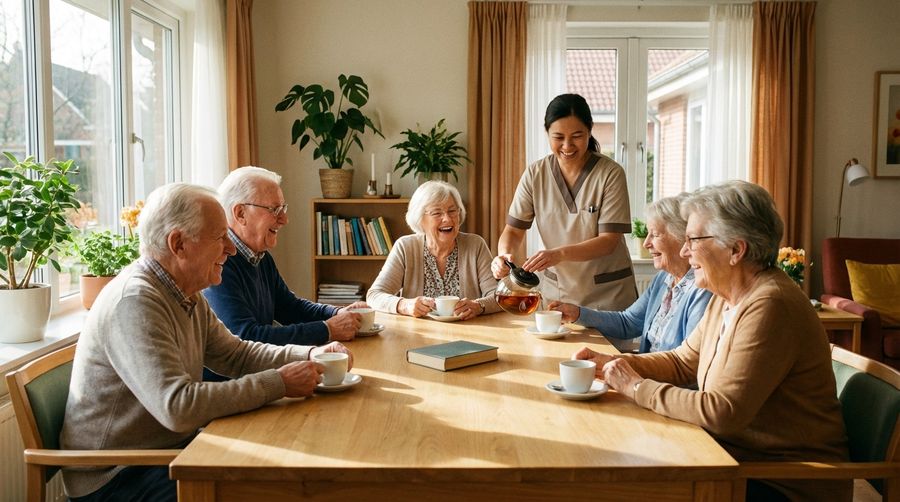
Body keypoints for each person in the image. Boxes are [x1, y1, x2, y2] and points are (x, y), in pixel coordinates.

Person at [59, 183, 353, 502]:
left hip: (165, 452)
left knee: (286, 468)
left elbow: (236, 354)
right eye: (219, 237)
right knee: (264, 489)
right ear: (178, 244)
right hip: (118, 474)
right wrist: (279, 383)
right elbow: (178, 407)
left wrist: (310, 354)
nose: (230, 248)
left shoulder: (185, 292)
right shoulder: (135, 301)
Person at [572, 180, 851, 502]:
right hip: (730, 458)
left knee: (617, 487)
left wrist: (635, 387)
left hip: (785, 481)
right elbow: (682, 362)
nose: (684, 250)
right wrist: (614, 363)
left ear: (736, 250)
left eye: (693, 240)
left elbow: (722, 411)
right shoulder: (727, 295)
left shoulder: (771, 304)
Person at [492, 93, 637, 337]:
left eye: (577, 136)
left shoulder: (610, 174)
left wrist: (557, 254)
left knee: (605, 360)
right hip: (557, 296)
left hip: (607, 297)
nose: (567, 146)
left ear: (590, 130)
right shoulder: (535, 174)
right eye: (558, 137)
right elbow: (514, 231)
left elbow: (608, 241)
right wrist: (504, 255)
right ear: (546, 132)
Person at [203, 166, 365, 349]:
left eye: (282, 208)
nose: (284, 219)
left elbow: (289, 308)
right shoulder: (218, 264)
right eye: (274, 209)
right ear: (240, 213)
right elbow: (247, 337)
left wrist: (337, 313)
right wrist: (327, 329)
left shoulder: (259, 256)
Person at [548, 194, 712, 353]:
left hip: (657, 372)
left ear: (683, 238)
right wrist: (578, 313)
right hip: (644, 370)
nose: (646, 243)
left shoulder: (702, 290)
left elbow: (686, 363)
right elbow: (628, 323)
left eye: (655, 234)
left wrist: (628, 363)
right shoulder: (664, 279)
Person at [367, 180, 500, 320]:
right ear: (420, 219)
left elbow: (498, 297)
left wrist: (478, 306)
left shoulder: (475, 245)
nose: (447, 219)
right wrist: (404, 305)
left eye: (452, 211)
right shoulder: (405, 247)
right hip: (417, 331)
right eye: (437, 213)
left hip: (469, 329)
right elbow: (374, 295)